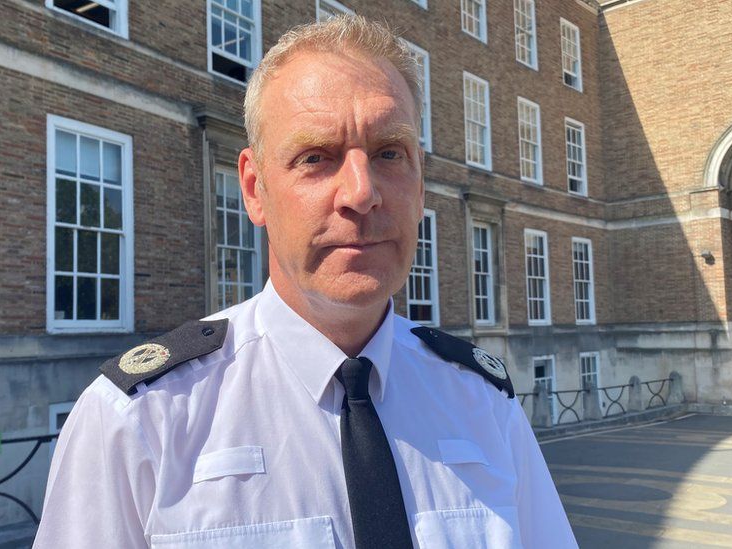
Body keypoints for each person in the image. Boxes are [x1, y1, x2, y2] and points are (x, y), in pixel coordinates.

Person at [34, 15, 576, 549]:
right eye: (316, 158)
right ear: (254, 188)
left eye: (390, 153)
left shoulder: (483, 404)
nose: (362, 193)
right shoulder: (142, 420)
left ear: (420, 183)